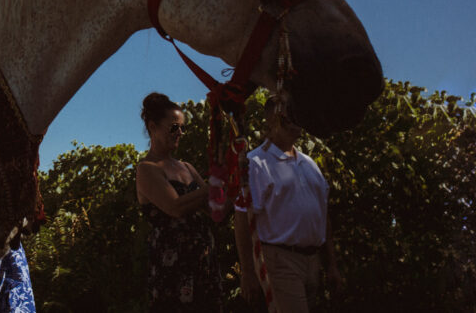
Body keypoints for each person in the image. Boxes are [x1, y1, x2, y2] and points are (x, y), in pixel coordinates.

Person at [234, 97, 344, 313]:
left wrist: (331, 265)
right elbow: (242, 219)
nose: (296, 120)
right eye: (288, 115)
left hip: (312, 261)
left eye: (297, 114)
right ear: (272, 120)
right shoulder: (256, 163)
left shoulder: (309, 164)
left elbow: (323, 217)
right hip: (280, 260)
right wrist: (247, 272)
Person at [136, 92, 223, 312]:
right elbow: (175, 207)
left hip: (202, 262)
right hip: (172, 267)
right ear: (153, 127)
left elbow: (215, 211)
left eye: (182, 128)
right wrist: (212, 186)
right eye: (174, 127)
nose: (180, 133)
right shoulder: (147, 169)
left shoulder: (187, 167)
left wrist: (234, 183)